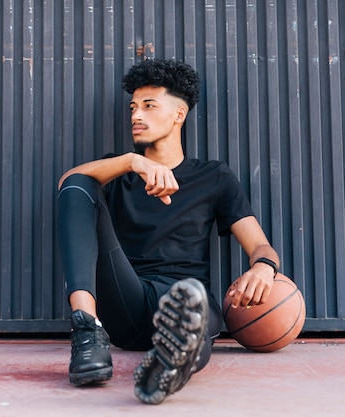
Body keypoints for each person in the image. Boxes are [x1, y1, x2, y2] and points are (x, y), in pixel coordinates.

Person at [56, 58, 280, 405]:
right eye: (133, 107)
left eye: (148, 106)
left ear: (179, 114)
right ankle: (87, 329)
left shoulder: (214, 177)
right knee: (77, 185)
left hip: (182, 298)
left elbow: (260, 246)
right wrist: (132, 162)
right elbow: (68, 186)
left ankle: (169, 364)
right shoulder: (120, 170)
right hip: (126, 299)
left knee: (195, 315)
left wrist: (264, 268)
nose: (136, 116)